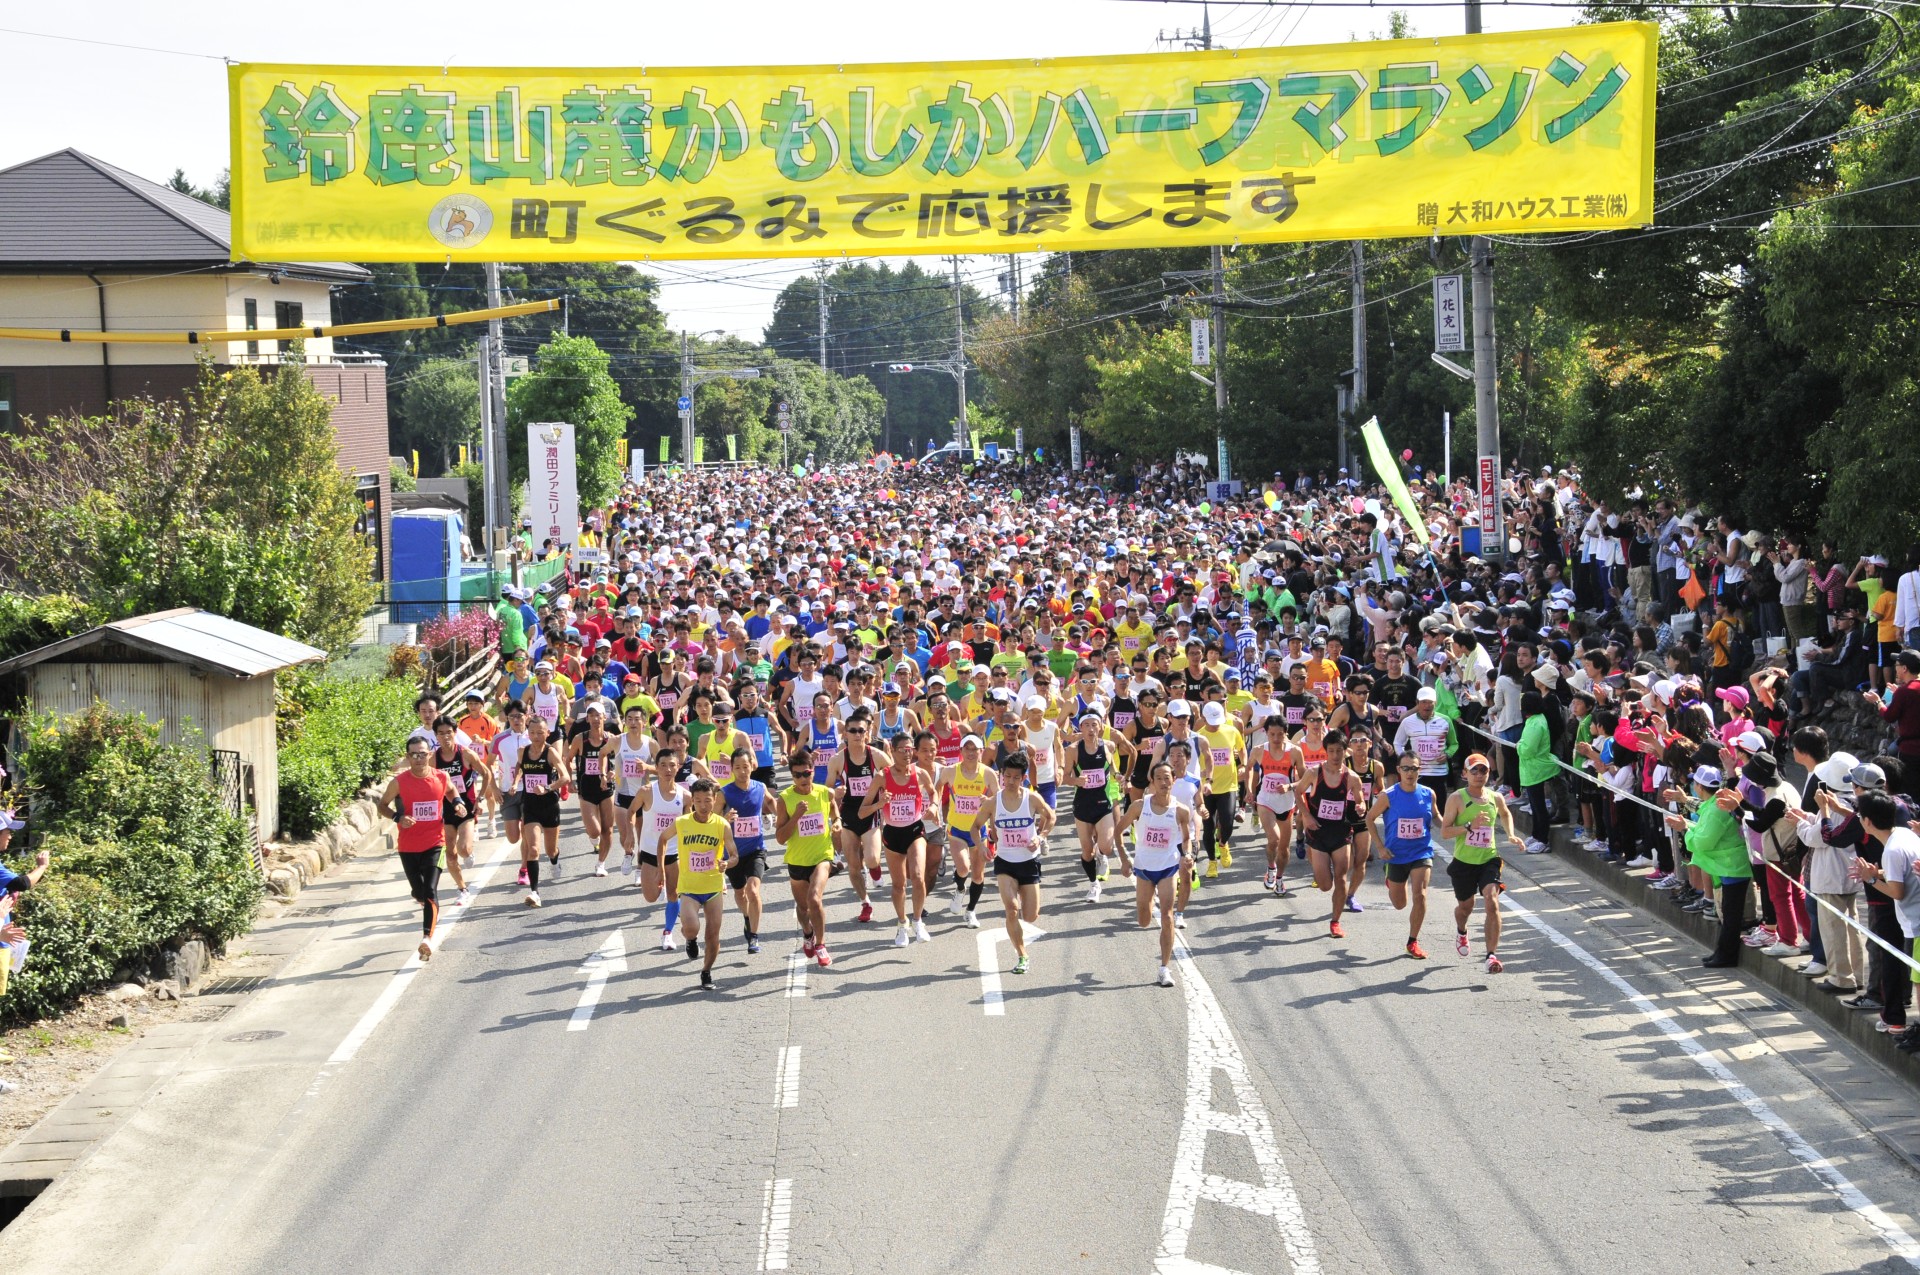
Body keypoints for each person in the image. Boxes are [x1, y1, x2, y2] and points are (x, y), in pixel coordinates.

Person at [376, 738, 465, 959]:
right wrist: (399, 817)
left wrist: (458, 804)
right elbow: (382, 806)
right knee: (419, 891)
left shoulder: (441, 777)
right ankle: (419, 896)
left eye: (422, 754)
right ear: (407, 757)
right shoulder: (399, 782)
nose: (418, 758)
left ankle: (427, 938)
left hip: (436, 842)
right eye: (414, 755)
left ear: (429, 755)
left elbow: (452, 792)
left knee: (430, 891)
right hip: (408, 846)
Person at [1114, 761, 1197, 987]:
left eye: (1167, 777)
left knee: (1167, 915)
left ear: (1174, 780)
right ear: (1152, 781)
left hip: (1168, 867)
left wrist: (1186, 855)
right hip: (1143, 867)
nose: (1163, 782)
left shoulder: (1181, 810)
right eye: (1158, 778)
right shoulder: (1140, 807)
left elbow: (1186, 837)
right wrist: (1124, 859)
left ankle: (1164, 968)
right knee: (1143, 919)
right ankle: (1147, 905)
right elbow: (1118, 832)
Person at [1670, 765, 1757, 969]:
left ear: (1699, 786)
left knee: (1731, 915)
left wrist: (1685, 828)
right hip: (1727, 866)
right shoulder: (1713, 804)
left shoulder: (1716, 809)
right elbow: (1702, 825)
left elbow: (1702, 842)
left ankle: (1726, 956)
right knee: (1726, 914)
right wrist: (1687, 821)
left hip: (1732, 866)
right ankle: (1722, 952)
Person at [1851, 788, 1920, 1045]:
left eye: (1860, 816)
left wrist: (1870, 878)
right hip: (1914, 919)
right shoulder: (1903, 834)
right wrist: (1878, 873)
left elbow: (1896, 892)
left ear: (1868, 821)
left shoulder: (1891, 850)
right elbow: (1899, 873)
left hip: (1915, 921)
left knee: (1917, 979)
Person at [1439, 753, 1518, 972]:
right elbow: (1444, 832)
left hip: (1488, 859)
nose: (1479, 775)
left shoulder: (1495, 797)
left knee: (1492, 901)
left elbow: (1505, 813)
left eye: (1483, 770)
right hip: (1464, 862)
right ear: (1464, 774)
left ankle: (1491, 956)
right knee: (1466, 908)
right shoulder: (1457, 798)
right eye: (1473, 770)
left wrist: (1510, 835)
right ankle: (1462, 931)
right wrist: (1468, 826)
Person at [860, 732, 935, 946]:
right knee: (899, 885)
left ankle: (918, 921)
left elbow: (933, 792)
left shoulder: (920, 773)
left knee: (918, 876)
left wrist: (935, 806)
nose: (907, 754)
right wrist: (880, 803)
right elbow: (862, 812)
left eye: (910, 749)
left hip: (914, 830)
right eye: (902, 750)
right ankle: (902, 925)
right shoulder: (882, 777)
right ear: (892, 751)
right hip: (892, 833)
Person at [990, 751, 1057, 976]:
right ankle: (1022, 954)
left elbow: (1051, 816)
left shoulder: (1031, 798)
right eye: (1006, 776)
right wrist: (983, 844)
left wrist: (1041, 836)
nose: (1009, 781)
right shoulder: (994, 800)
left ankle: (1021, 932)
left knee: (1030, 916)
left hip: (1028, 861)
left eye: (1015, 777)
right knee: (1011, 909)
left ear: (1024, 778)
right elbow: (975, 825)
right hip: (1005, 862)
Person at [1368, 750, 1438, 959]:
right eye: (1405, 768)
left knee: (1421, 894)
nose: (1410, 773)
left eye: (1414, 768)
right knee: (1400, 904)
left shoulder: (1428, 794)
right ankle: (1391, 879)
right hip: (1395, 855)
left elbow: (1438, 818)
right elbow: (1370, 819)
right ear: (1398, 770)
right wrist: (1380, 847)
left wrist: (1459, 827)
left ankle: (1412, 941)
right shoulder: (1388, 795)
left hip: (1421, 852)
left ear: (1419, 770)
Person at [674, 779, 739, 989]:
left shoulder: (722, 825)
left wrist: (727, 863)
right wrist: (660, 869)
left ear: (714, 801)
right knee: (692, 928)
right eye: (698, 801)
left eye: (708, 800)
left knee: (713, 934)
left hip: (713, 887)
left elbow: (734, 855)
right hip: (689, 887)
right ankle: (690, 939)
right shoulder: (682, 822)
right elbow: (663, 840)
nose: (703, 805)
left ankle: (706, 971)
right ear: (692, 801)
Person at [776, 747, 838, 968]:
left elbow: (833, 809)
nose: (803, 778)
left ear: (813, 771)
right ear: (792, 776)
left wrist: (837, 820)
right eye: (798, 775)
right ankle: (808, 932)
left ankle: (821, 944)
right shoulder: (785, 799)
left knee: (814, 899)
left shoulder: (824, 792)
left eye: (807, 773)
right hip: (797, 860)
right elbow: (780, 838)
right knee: (802, 909)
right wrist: (797, 817)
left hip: (822, 856)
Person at [1298, 732, 1364, 937]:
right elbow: (1298, 792)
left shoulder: (1352, 777)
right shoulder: (1313, 772)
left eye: (1339, 751)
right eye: (1331, 751)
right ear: (1325, 752)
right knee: (1325, 885)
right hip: (1318, 831)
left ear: (1346, 752)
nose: (1335, 755)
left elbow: (1360, 799)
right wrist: (1307, 816)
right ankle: (1315, 862)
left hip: (1341, 832)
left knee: (1341, 877)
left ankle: (1335, 921)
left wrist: (1361, 806)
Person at [937, 733, 997, 928]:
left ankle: (970, 911)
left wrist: (994, 826)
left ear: (982, 751)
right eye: (967, 749)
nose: (971, 753)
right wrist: (935, 807)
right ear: (961, 750)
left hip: (979, 831)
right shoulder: (950, 771)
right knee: (963, 868)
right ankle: (960, 889)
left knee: (978, 875)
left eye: (975, 749)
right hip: (957, 829)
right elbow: (937, 789)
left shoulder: (988, 774)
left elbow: (998, 802)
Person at [429, 716, 487, 906]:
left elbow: (486, 773)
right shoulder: (433, 759)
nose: (445, 737)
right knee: (450, 855)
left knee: (463, 849)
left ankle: (469, 853)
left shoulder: (466, 754)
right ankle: (462, 889)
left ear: (455, 733)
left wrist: (480, 799)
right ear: (435, 735)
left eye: (449, 732)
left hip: (466, 806)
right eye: (440, 733)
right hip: (444, 809)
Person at [1067, 711, 1123, 902]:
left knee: (1107, 847)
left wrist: (1118, 776)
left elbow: (1113, 768)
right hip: (1082, 805)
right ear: (1081, 728)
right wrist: (1076, 781)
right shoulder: (1073, 749)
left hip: (1102, 803)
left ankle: (1101, 854)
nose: (1091, 729)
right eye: (1087, 725)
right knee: (1086, 851)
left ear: (1101, 726)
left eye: (1095, 725)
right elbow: (1065, 777)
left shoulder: (1108, 746)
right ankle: (1094, 884)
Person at [1245, 714, 1303, 896]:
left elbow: (1304, 779)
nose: (1276, 739)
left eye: (1280, 734)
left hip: (1286, 803)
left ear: (1286, 733)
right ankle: (1270, 867)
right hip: (1265, 801)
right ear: (1266, 733)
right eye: (1272, 734)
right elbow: (1247, 770)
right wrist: (1249, 791)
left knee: (1284, 849)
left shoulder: (1294, 752)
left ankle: (1279, 877)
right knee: (1274, 839)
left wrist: (1290, 786)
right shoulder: (1258, 750)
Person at [511, 716, 565, 908]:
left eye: (540, 732)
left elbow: (565, 777)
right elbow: (520, 767)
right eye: (532, 732)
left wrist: (548, 787)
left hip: (549, 805)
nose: (535, 736)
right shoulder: (522, 752)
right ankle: (534, 892)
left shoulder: (550, 753)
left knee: (550, 850)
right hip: (530, 806)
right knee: (533, 848)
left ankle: (555, 859)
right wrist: (516, 782)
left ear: (547, 733)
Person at [635, 750, 687, 948]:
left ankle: (667, 933)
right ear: (656, 768)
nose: (668, 769)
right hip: (649, 852)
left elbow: (691, 822)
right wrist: (631, 836)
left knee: (673, 894)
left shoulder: (685, 796)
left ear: (678, 767)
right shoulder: (647, 791)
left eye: (672, 765)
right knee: (650, 897)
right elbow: (631, 811)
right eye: (663, 765)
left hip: (673, 853)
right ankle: (675, 904)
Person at [721, 749, 770, 955]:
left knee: (753, 891)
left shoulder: (760, 787)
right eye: (738, 768)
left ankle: (754, 936)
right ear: (732, 769)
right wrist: (726, 818)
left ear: (752, 766)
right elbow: (713, 818)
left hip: (755, 849)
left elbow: (773, 803)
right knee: (740, 893)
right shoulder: (725, 792)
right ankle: (748, 917)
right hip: (732, 853)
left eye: (746, 766)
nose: (742, 771)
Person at [567, 702, 619, 875]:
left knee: (608, 829)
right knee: (595, 831)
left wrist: (613, 772)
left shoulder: (611, 738)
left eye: (599, 715)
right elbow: (567, 760)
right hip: (587, 787)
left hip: (606, 788)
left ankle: (601, 864)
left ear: (604, 717)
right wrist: (569, 781)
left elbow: (620, 760)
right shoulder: (580, 739)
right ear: (587, 719)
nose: (596, 719)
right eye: (592, 715)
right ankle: (592, 838)